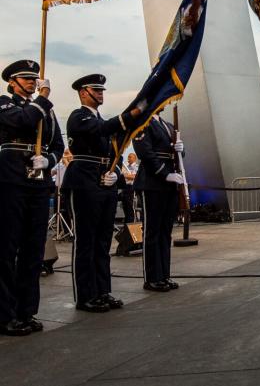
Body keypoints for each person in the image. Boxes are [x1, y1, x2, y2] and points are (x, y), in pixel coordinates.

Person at [63, 74, 142, 313]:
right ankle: (86, 296)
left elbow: (113, 152)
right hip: (84, 180)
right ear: (83, 92)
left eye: (102, 90)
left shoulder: (102, 120)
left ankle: (103, 291)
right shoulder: (79, 117)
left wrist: (116, 172)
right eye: (96, 90)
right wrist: (129, 117)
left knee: (102, 240)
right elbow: (103, 129)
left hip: (104, 183)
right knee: (86, 241)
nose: (100, 94)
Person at [0, 60, 64, 336]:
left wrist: (47, 160)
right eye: (25, 78)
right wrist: (43, 100)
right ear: (12, 82)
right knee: (7, 247)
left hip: (38, 181)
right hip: (11, 178)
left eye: (33, 78)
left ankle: (26, 311)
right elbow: (21, 120)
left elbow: (59, 144)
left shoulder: (46, 111)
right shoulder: (5, 103)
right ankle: (5, 314)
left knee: (34, 248)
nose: (31, 82)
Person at [133, 114, 185, 292]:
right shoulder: (142, 123)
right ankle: (152, 278)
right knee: (152, 232)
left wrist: (180, 149)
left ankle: (164, 275)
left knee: (165, 232)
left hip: (170, 184)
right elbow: (145, 153)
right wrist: (165, 173)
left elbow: (177, 155)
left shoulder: (168, 125)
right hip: (152, 182)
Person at [120, 152, 138, 224]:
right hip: (125, 187)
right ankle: (126, 224)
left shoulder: (136, 166)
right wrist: (126, 175)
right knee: (125, 207)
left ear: (135, 158)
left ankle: (131, 224)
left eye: (130, 157)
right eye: (128, 157)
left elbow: (133, 177)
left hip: (131, 188)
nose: (128, 159)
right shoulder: (126, 166)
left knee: (130, 207)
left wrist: (125, 175)